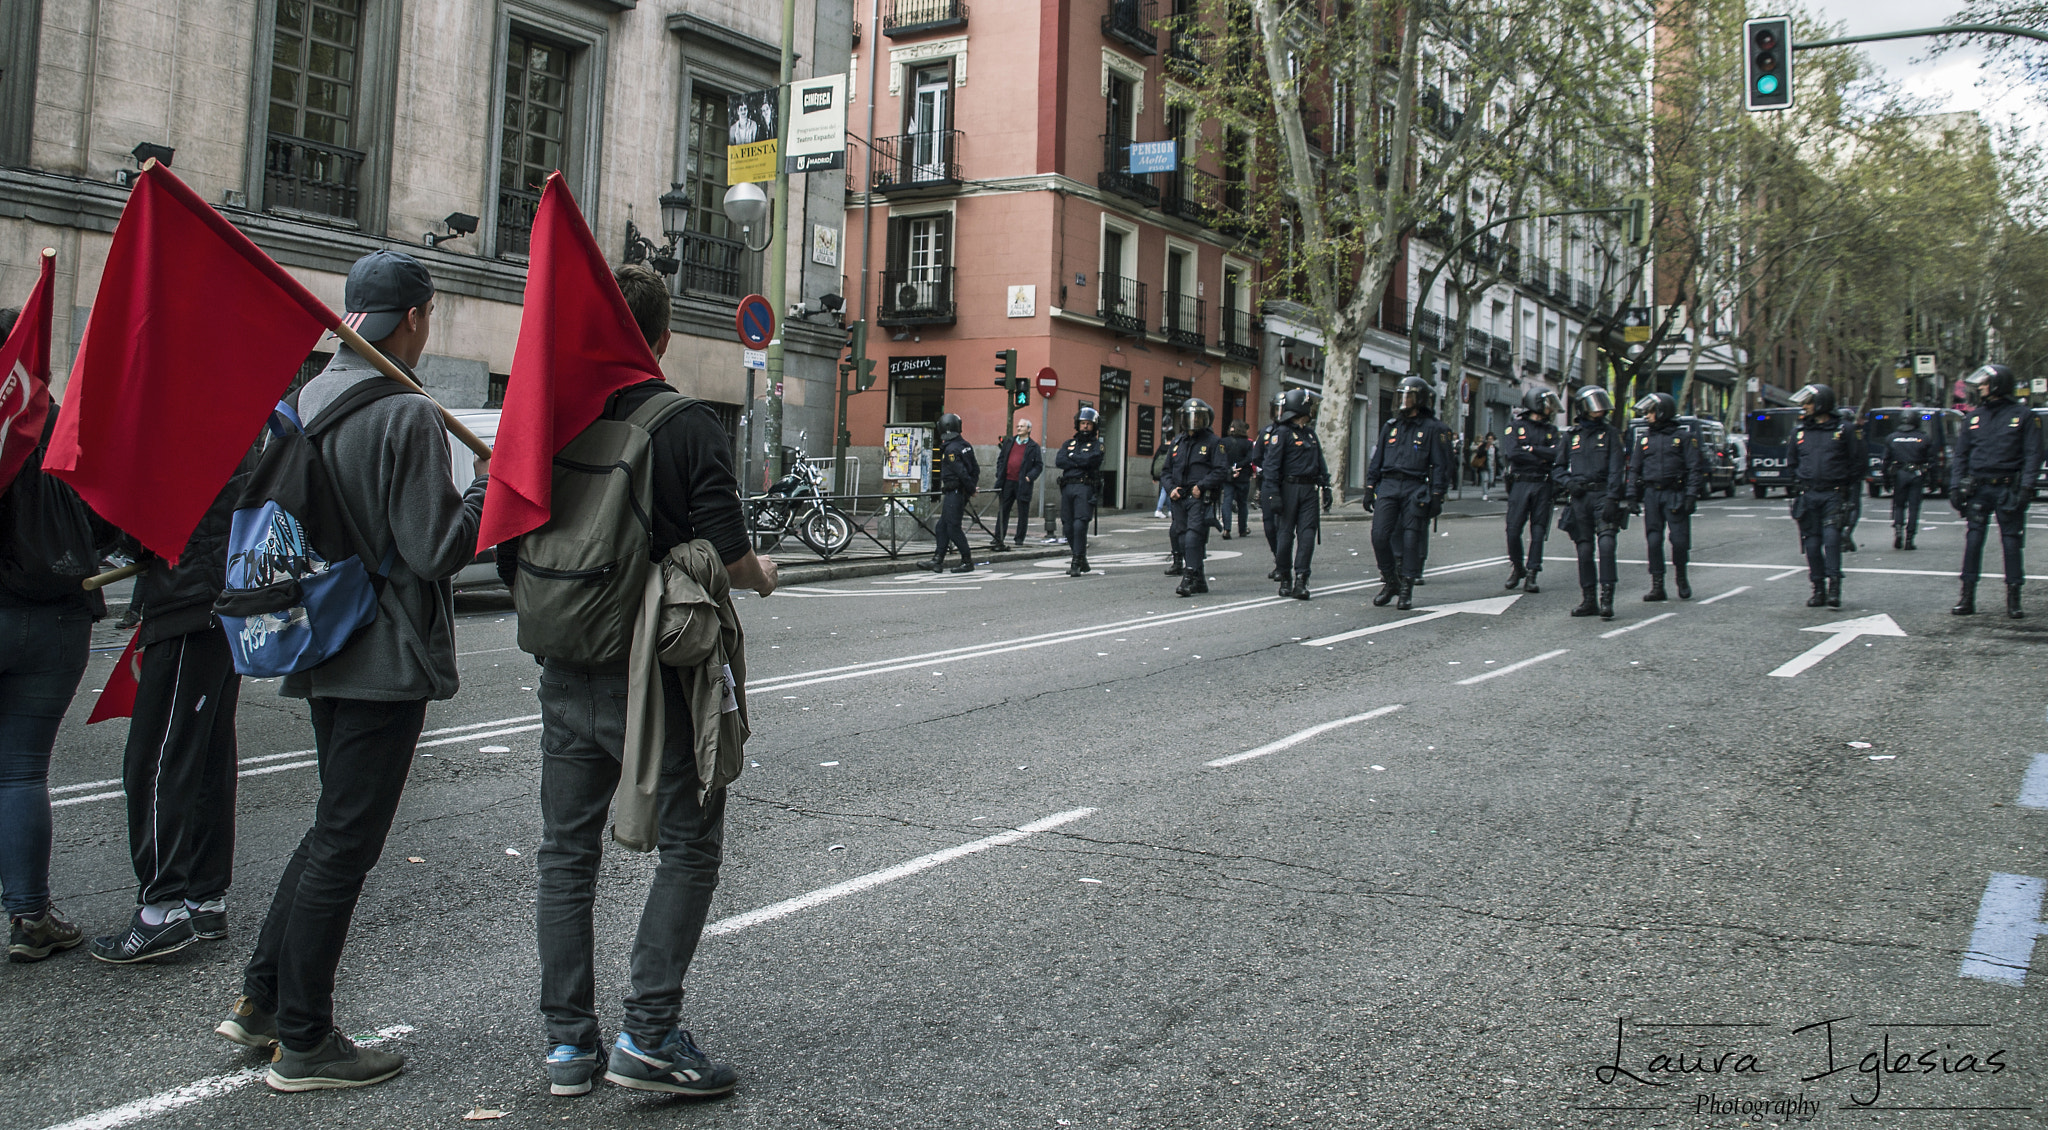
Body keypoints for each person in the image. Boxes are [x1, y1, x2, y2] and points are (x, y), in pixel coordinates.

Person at [217, 249, 489, 1091]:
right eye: (430, 315)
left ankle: (263, 998)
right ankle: (306, 1040)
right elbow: (436, 547)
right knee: (347, 840)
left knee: (330, 825)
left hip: (322, 639)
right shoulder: (406, 414)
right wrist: (491, 490)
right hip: (382, 653)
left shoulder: (306, 400)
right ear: (414, 317)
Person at [519, 264, 776, 1099]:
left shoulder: (550, 419)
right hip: (661, 673)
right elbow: (731, 555)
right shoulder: (687, 424)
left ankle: (567, 1047)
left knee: (565, 852)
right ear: (660, 339)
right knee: (691, 844)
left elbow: (505, 543)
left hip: (567, 660)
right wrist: (760, 575)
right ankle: (650, 1034)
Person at [90, 449, 255, 964]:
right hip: (217, 593)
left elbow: (150, 518)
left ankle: (164, 907)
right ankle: (202, 896)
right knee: (204, 753)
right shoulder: (227, 416)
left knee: (159, 756)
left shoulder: (191, 428)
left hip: (191, 595)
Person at [2, 335, 106, 964]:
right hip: (55, 617)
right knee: (19, 771)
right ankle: (29, 915)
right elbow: (102, 518)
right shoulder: (58, 425)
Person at [1950, 363, 2043, 617]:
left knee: (2012, 543)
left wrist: (2026, 489)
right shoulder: (1974, 416)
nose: (1980, 386)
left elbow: (2033, 455)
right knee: (1973, 542)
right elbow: (1961, 456)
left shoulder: (2023, 416)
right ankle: (1967, 598)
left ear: (1998, 385)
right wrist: (1955, 487)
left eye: (1984, 382)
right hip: (1978, 489)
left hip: (2007, 488)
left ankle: (2014, 600)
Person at [1365, 376, 1453, 610]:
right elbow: (1378, 459)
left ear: (1420, 399)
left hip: (1416, 486)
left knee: (1411, 539)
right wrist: (1370, 486)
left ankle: (1406, 587)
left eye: (1409, 395)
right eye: (1401, 395)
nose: (1404, 400)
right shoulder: (1391, 426)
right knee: (1379, 535)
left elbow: (1441, 466)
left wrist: (1437, 494)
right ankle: (1391, 579)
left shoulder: (1434, 429)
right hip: (1389, 485)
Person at [1786, 382, 1863, 609]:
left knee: (1831, 541)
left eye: (1809, 402)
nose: (1805, 406)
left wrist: (1849, 496)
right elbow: (1792, 461)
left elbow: (1857, 463)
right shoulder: (1799, 432)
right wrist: (1798, 482)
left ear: (1822, 403)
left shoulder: (1844, 430)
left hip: (1834, 494)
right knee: (1811, 545)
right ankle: (1817, 587)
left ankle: (1834, 586)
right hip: (1808, 494)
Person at [1624, 392, 1707, 602]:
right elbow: (1634, 469)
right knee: (1653, 541)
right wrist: (1632, 495)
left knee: (1679, 540)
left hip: (1675, 493)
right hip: (1652, 494)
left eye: (1651, 411)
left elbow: (1694, 468)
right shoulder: (1644, 439)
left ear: (1662, 412)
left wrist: (1690, 495)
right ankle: (1657, 585)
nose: (1648, 416)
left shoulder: (1684, 438)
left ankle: (1681, 577)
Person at [1555, 385, 1625, 620]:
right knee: (1584, 550)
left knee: (1606, 547)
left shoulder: (1611, 434)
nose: (1599, 410)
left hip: (1603, 495)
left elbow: (1617, 470)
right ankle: (1589, 599)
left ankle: (1607, 599)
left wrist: (1613, 498)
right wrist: (1568, 482)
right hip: (1579, 498)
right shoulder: (1571, 436)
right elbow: (1557, 468)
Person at [1263, 389, 1329, 599]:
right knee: (1284, 536)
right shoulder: (1281, 433)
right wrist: (1273, 494)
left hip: (1309, 489)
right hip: (1288, 488)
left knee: (1307, 534)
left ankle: (1302, 578)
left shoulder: (1310, 434)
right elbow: (1271, 466)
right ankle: (1284, 575)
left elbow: (1320, 463)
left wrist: (1326, 487)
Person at [1163, 399, 1226, 596]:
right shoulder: (1177, 442)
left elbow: (1221, 470)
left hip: (1199, 497)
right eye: (1190, 416)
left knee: (1193, 537)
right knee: (1181, 537)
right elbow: (1165, 470)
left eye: (1198, 416)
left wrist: (1202, 485)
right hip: (1179, 498)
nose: (1193, 420)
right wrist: (1171, 488)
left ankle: (1189, 577)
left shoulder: (1214, 442)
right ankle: (1199, 578)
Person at [1501, 388, 1560, 594]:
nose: (1550, 408)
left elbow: (1556, 454)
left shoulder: (1551, 430)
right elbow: (1513, 452)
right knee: (1513, 529)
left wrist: (1532, 449)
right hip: (1520, 483)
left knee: (1538, 531)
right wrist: (1540, 455)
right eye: (1547, 403)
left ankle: (1533, 572)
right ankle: (1518, 567)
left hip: (1543, 483)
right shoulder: (1515, 427)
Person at [922, 413, 978, 574]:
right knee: (941, 527)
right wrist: (971, 487)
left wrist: (971, 489)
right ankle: (937, 560)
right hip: (958, 492)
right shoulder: (964, 445)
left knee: (953, 528)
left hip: (954, 492)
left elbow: (961, 472)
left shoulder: (951, 449)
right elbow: (975, 469)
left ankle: (967, 560)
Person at [1055, 407, 1105, 576]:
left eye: (1088, 424)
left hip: (1085, 487)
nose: (1085, 427)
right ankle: (1082, 559)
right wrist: (1079, 461)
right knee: (1067, 526)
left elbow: (1091, 460)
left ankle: (1076, 561)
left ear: (1094, 426)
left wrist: (1073, 459)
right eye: (1082, 423)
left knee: (1079, 525)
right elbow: (1059, 460)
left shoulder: (1097, 445)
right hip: (1068, 486)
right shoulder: (1068, 444)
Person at [1883, 411, 1933, 550]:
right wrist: (1933, 481)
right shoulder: (1923, 438)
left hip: (1899, 474)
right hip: (1917, 474)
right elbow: (1931, 460)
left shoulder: (1892, 437)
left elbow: (1886, 461)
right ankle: (1910, 538)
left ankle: (1898, 531)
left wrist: (1885, 480)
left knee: (1899, 505)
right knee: (1914, 507)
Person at [989, 419, 1040, 553]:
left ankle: (1019, 538)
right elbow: (1001, 459)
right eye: (1018, 426)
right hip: (1007, 481)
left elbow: (1038, 466)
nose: (1018, 428)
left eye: (1022, 426)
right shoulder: (1009, 442)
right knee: (1003, 510)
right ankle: (998, 537)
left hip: (1023, 483)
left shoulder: (1033, 446)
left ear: (1029, 429)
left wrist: (1030, 476)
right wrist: (999, 472)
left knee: (1023, 512)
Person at [1255, 394, 1288, 580]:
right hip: (1269, 482)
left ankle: (1284, 564)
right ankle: (1278, 559)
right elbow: (1257, 456)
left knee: (1283, 526)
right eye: (1276, 409)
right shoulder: (1266, 432)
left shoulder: (1291, 431)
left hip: (1287, 484)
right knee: (1269, 527)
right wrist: (1269, 468)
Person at [1222, 420, 1256, 540]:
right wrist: (1238, 466)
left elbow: (1221, 458)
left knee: (1227, 500)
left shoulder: (1224, 442)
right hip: (1243, 475)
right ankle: (1242, 529)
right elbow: (1250, 458)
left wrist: (1230, 468)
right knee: (1242, 503)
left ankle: (1226, 528)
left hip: (1228, 475)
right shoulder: (1247, 443)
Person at [1150, 422, 1175, 518]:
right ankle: (1159, 509)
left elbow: (1155, 460)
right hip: (1169, 472)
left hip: (1160, 472)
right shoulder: (1173, 448)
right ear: (1173, 438)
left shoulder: (1161, 447)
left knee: (1166, 490)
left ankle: (1170, 510)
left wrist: (1153, 475)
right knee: (1165, 490)